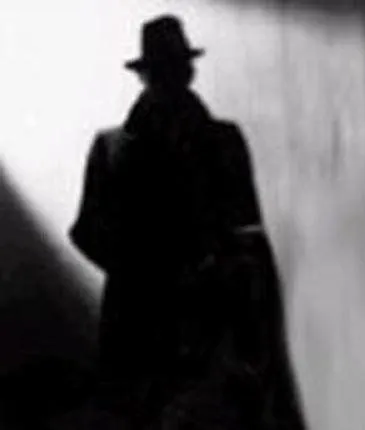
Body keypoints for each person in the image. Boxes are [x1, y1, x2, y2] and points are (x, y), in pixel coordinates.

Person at [69, 15, 306, 429]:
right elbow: (87, 231)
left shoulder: (122, 146)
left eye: (173, 68)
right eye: (168, 68)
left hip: (187, 322)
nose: (173, 79)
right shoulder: (212, 141)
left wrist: (151, 275)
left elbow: (246, 234)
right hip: (170, 322)